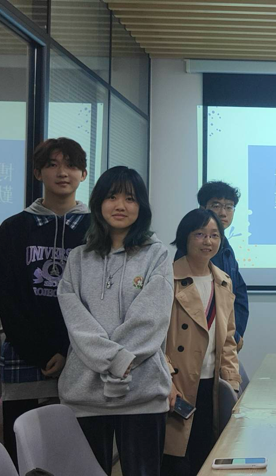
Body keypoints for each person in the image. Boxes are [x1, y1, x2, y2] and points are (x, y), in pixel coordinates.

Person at [57, 166, 173, 476]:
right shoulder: (78, 258)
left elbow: (151, 319)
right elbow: (76, 321)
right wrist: (115, 359)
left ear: (141, 206)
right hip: (84, 393)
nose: (120, 205)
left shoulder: (157, 255)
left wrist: (121, 361)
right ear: (98, 203)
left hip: (143, 393)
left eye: (130, 199)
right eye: (112, 197)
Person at [0, 138, 90, 462]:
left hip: (81, 359)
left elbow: (97, 301)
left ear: (83, 174)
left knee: (76, 457)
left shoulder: (97, 230)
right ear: (38, 172)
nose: (62, 173)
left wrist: (66, 350)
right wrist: (41, 352)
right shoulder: (13, 228)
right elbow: (7, 298)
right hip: (24, 359)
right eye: (52, 165)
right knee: (26, 455)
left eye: (71, 165)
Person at [161, 209, 241, 476]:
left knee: (206, 457)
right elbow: (155, 339)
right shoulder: (167, 278)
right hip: (177, 386)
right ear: (185, 237)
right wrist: (166, 379)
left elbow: (228, 340)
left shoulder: (223, 281)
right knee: (176, 461)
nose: (208, 241)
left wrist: (232, 383)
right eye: (200, 234)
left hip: (212, 384)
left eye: (214, 235)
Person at [196, 182, 249, 351]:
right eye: (216, 205)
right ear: (203, 208)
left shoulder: (226, 247)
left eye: (229, 207)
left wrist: (236, 334)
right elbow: (197, 300)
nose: (223, 212)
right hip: (202, 341)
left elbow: (238, 293)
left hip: (227, 338)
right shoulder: (195, 247)